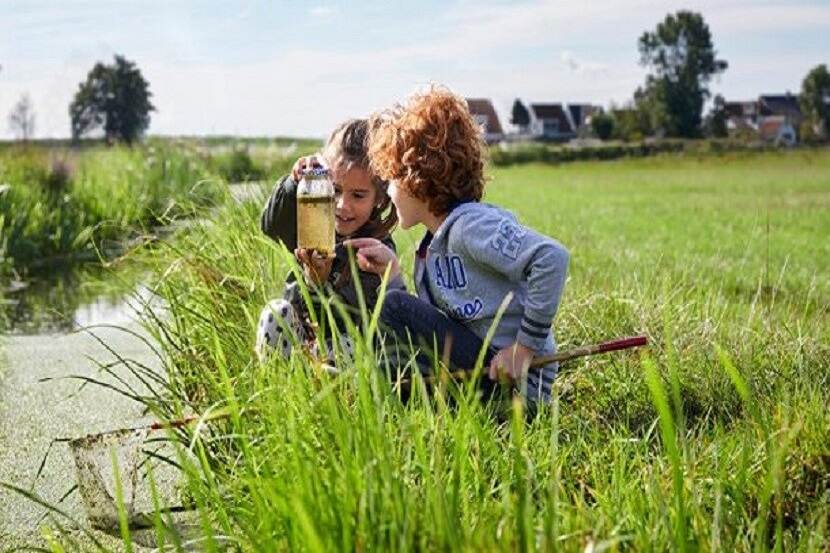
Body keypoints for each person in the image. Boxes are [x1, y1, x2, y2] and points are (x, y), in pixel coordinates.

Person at [346, 87, 569, 406]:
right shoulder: (431, 248)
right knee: (397, 308)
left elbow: (552, 257)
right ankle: (391, 394)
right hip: (479, 371)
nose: (389, 191)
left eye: (392, 179)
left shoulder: (469, 227)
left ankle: (378, 401)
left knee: (394, 306)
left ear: (415, 178)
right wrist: (393, 274)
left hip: (514, 380)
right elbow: (437, 326)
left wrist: (523, 349)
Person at [255, 118, 399, 363]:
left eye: (358, 195)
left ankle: (332, 391)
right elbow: (271, 226)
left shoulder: (375, 248)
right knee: (275, 313)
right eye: (336, 189)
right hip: (301, 337)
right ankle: (280, 382)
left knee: (350, 344)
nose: (343, 205)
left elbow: (355, 317)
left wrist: (319, 283)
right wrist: (295, 184)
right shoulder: (313, 218)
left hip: (345, 347)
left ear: (378, 197)